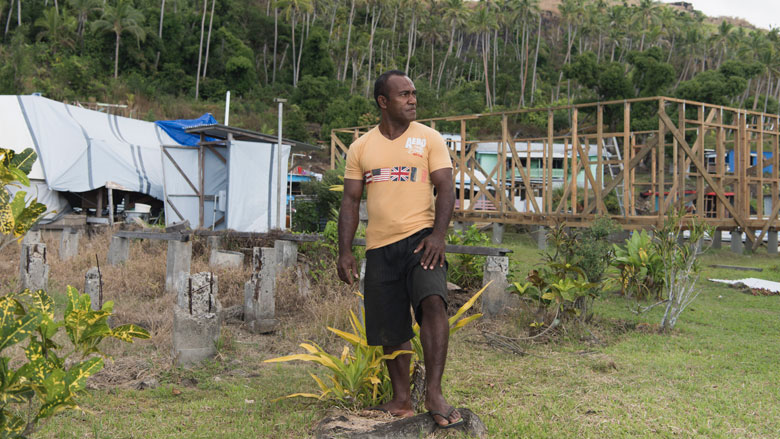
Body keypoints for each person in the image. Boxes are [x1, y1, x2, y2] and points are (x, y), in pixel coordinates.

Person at [337, 70, 462, 428]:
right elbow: (350, 201)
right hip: (379, 248)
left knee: (433, 301)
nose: (412, 100)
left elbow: (446, 188)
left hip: (421, 240)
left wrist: (438, 236)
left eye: (414, 93)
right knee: (390, 327)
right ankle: (401, 400)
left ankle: (434, 393)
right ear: (383, 102)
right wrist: (345, 251)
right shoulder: (361, 147)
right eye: (404, 94)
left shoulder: (429, 139)